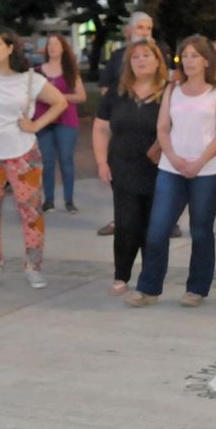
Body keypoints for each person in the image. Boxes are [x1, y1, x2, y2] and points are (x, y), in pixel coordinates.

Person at [128, 35, 216, 307]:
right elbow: (163, 128)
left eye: (194, 55)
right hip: (171, 170)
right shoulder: (173, 90)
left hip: (208, 172)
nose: (188, 60)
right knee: (158, 230)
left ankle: (196, 289)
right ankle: (148, 288)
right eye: (184, 55)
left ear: (207, 60)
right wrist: (174, 159)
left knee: (200, 230)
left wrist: (199, 162)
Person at [0, 27, 67, 289]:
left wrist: (35, 125)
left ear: (10, 48)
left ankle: (33, 266)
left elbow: (60, 102)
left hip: (23, 154)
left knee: (30, 212)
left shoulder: (29, 79)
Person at [93, 40, 167, 294]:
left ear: (158, 61)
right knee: (126, 223)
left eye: (146, 56)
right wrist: (101, 162)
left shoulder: (168, 92)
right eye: (135, 57)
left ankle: (149, 277)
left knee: (152, 225)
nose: (141, 61)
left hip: (158, 169)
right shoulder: (117, 91)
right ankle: (121, 275)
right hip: (122, 167)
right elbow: (101, 128)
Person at [97, 11, 158, 236]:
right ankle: (121, 220)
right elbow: (105, 87)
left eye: (148, 29)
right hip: (124, 131)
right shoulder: (118, 56)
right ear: (129, 31)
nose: (144, 32)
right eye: (140, 28)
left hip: (153, 137)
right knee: (123, 183)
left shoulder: (161, 54)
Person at [34, 33, 87, 213]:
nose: (53, 47)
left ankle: (69, 200)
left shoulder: (70, 70)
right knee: (47, 161)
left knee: (66, 159)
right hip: (43, 120)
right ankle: (48, 200)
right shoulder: (38, 71)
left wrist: (58, 98)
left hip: (66, 120)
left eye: (56, 44)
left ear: (63, 48)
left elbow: (81, 96)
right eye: (50, 44)